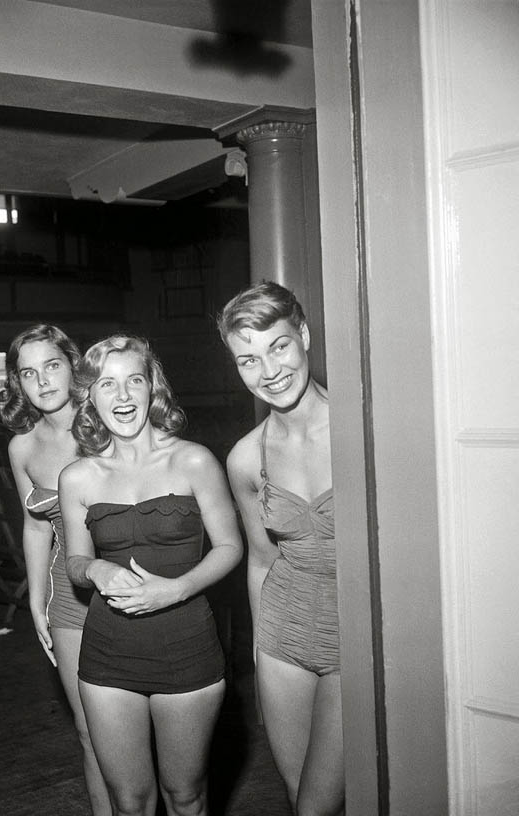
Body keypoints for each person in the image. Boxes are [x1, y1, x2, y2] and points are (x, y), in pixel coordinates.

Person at [59, 334, 243, 816]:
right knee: (130, 802)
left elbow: (230, 547)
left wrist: (176, 590)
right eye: (107, 384)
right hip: (108, 653)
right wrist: (95, 567)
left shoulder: (193, 460)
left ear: (152, 388)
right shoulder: (77, 477)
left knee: (186, 797)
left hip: (186, 646)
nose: (122, 396)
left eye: (134, 381)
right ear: (90, 397)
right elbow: (74, 563)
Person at [217, 282, 344, 816]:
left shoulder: (359, 430)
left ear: (305, 336)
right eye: (248, 359)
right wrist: (256, 651)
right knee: (298, 800)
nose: (269, 371)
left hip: (352, 638)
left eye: (279, 346)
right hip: (281, 640)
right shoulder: (247, 458)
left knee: (317, 806)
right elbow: (262, 560)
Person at [1, 324, 111, 816]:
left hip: (129, 582)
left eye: (52, 365)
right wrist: (34, 599)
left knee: (137, 731)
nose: (42, 381)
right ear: (17, 382)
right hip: (67, 595)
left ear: (73, 365)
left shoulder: (107, 424)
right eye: (28, 373)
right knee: (90, 732)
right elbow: (35, 527)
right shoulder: (22, 447)